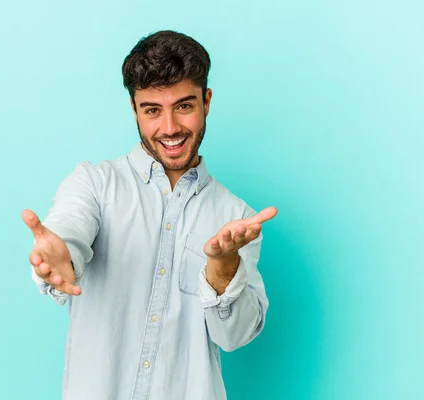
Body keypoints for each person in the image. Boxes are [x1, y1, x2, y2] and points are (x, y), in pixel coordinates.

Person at [22, 30, 278, 400]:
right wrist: (60, 256)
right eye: (153, 110)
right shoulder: (94, 184)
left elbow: (235, 337)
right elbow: (69, 229)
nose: (170, 127)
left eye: (184, 106)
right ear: (134, 109)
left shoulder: (237, 218)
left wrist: (224, 269)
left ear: (206, 102)